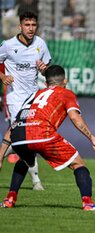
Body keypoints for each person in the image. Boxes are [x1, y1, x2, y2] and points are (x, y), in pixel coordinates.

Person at [0, 65, 95, 211]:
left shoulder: (35, 94)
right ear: (65, 81)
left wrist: (1, 156)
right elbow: (75, 118)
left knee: (24, 160)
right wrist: (93, 139)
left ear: (46, 83)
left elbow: (16, 123)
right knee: (78, 164)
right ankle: (88, 203)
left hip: (19, 135)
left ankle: (9, 200)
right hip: (42, 134)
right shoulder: (66, 93)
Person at [0, 11, 51, 190]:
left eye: (33, 25)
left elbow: (46, 69)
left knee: (25, 139)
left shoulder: (40, 44)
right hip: (14, 97)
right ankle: (36, 181)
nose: (31, 28)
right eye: (27, 25)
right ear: (20, 27)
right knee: (22, 134)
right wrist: (2, 76)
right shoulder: (7, 45)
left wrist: (44, 69)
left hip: (33, 97)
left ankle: (2, 155)